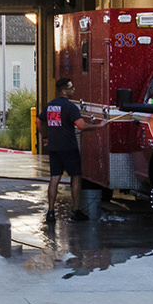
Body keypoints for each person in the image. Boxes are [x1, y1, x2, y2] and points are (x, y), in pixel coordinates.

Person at [43, 77, 103, 220]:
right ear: (64, 91)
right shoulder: (70, 107)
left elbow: (39, 121)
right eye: (71, 88)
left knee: (54, 178)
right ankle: (76, 211)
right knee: (76, 176)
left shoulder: (50, 106)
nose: (73, 90)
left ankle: (50, 212)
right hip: (69, 147)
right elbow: (81, 125)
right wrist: (99, 126)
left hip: (54, 148)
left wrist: (45, 137)